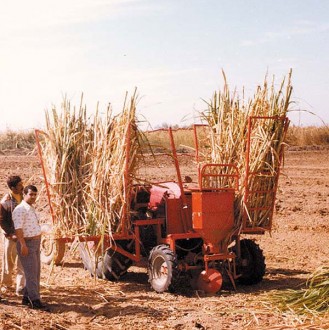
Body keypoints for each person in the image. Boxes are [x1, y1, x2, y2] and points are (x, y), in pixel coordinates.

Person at [13, 185, 46, 309]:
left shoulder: (30, 208)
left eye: (35, 195)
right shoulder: (20, 209)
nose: (33, 197)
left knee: (35, 272)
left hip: (35, 242)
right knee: (31, 274)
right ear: (24, 194)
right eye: (30, 194)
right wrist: (23, 245)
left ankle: (26, 298)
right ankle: (35, 301)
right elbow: (18, 229)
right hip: (27, 243)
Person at [0, 176, 25, 296]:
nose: (22, 187)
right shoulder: (5, 202)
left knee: (22, 261)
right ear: (12, 188)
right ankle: (6, 284)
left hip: (23, 234)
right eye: (20, 185)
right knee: (8, 262)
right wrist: (11, 234)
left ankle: (20, 287)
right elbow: (2, 221)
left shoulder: (24, 196)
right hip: (11, 236)